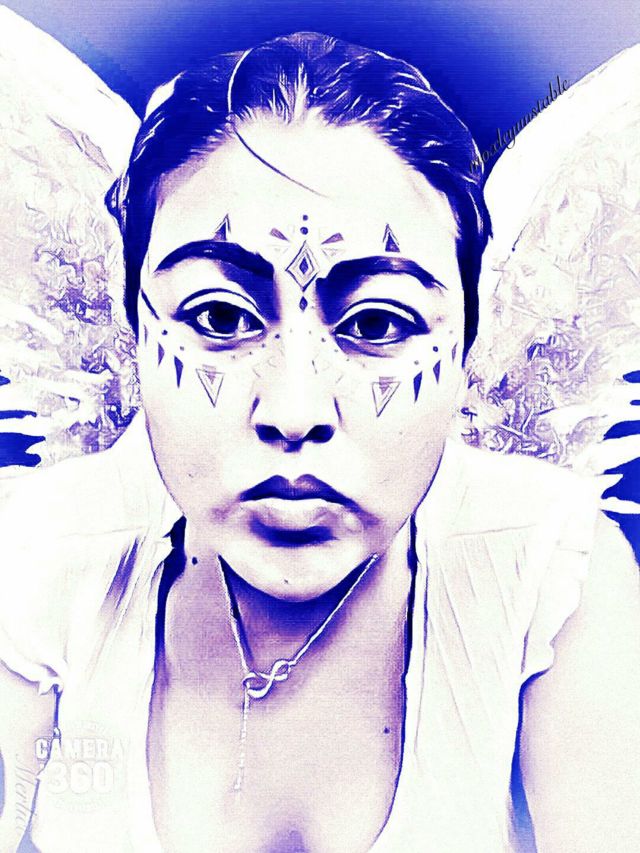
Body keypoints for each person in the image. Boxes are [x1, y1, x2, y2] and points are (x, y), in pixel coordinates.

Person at [0, 31, 639, 853]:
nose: (294, 409)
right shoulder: (43, 555)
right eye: (220, 316)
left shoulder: (548, 570)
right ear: (134, 334)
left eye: (378, 323)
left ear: (467, 351)